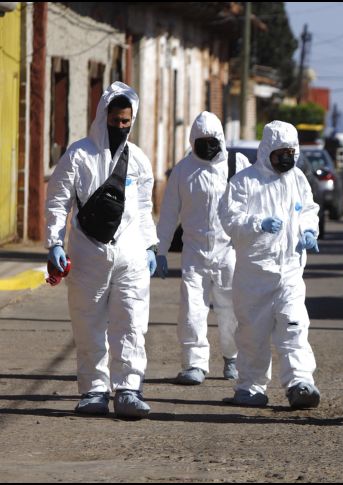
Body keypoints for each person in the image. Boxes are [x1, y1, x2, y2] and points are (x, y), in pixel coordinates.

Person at [45, 81, 158, 419]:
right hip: (88, 253)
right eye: (115, 121)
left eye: (126, 122)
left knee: (132, 321)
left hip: (131, 255)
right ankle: (94, 389)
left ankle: (128, 388)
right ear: (102, 116)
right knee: (88, 321)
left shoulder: (138, 160)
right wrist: (54, 243)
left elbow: (143, 206)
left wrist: (150, 245)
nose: (120, 127)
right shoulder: (78, 155)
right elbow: (57, 202)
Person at [218, 120, 322, 409]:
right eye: (281, 152)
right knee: (253, 334)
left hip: (289, 270)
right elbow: (229, 219)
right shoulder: (244, 182)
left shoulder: (298, 179)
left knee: (294, 325)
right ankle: (250, 387)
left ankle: (300, 383)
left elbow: (308, 210)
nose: (286, 158)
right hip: (254, 274)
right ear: (267, 151)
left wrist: (308, 231)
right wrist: (257, 224)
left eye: (291, 151)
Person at [155, 111, 250, 385]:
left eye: (212, 140)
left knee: (231, 308)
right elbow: (169, 213)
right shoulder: (184, 171)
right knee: (191, 309)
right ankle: (195, 363)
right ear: (193, 140)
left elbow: (252, 203)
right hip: (194, 252)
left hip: (229, 249)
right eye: (202, 140)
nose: (208, 145)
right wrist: (160, 251)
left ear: (220, 138)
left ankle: (233, 358)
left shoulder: (236, 164)